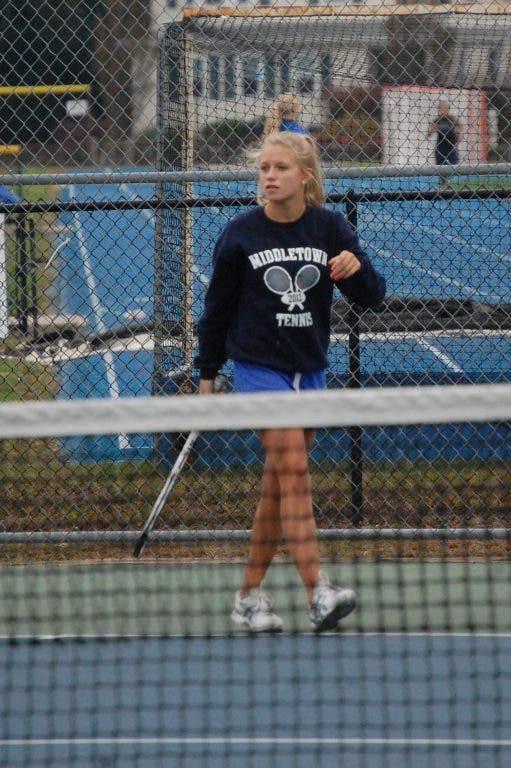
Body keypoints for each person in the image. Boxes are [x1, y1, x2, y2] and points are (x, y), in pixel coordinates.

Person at [195, 132, 386, 633]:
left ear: (305, 175)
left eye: (280, 167)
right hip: (257, 369)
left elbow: (374, 297)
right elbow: (216, 312)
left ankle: (248, 596)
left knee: (279, 489)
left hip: (311, 371)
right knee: (295, 471)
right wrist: (207, 375)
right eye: (263, 168)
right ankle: (317, 590)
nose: (269, 176)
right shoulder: (240, 234)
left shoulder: (330, 227)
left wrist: (354, 269)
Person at [427, 100, 463, 166]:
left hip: (451, 148)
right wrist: (433, 129)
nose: (443, 110)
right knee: (441, 170)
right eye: (441, 108)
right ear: (439, 109)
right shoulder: (437, 120)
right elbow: (429, 134)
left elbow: (460, 127)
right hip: (440, 149)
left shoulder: (452, 119)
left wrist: (459, 135)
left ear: (447, 109)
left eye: (445, 108)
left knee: (453, 168)